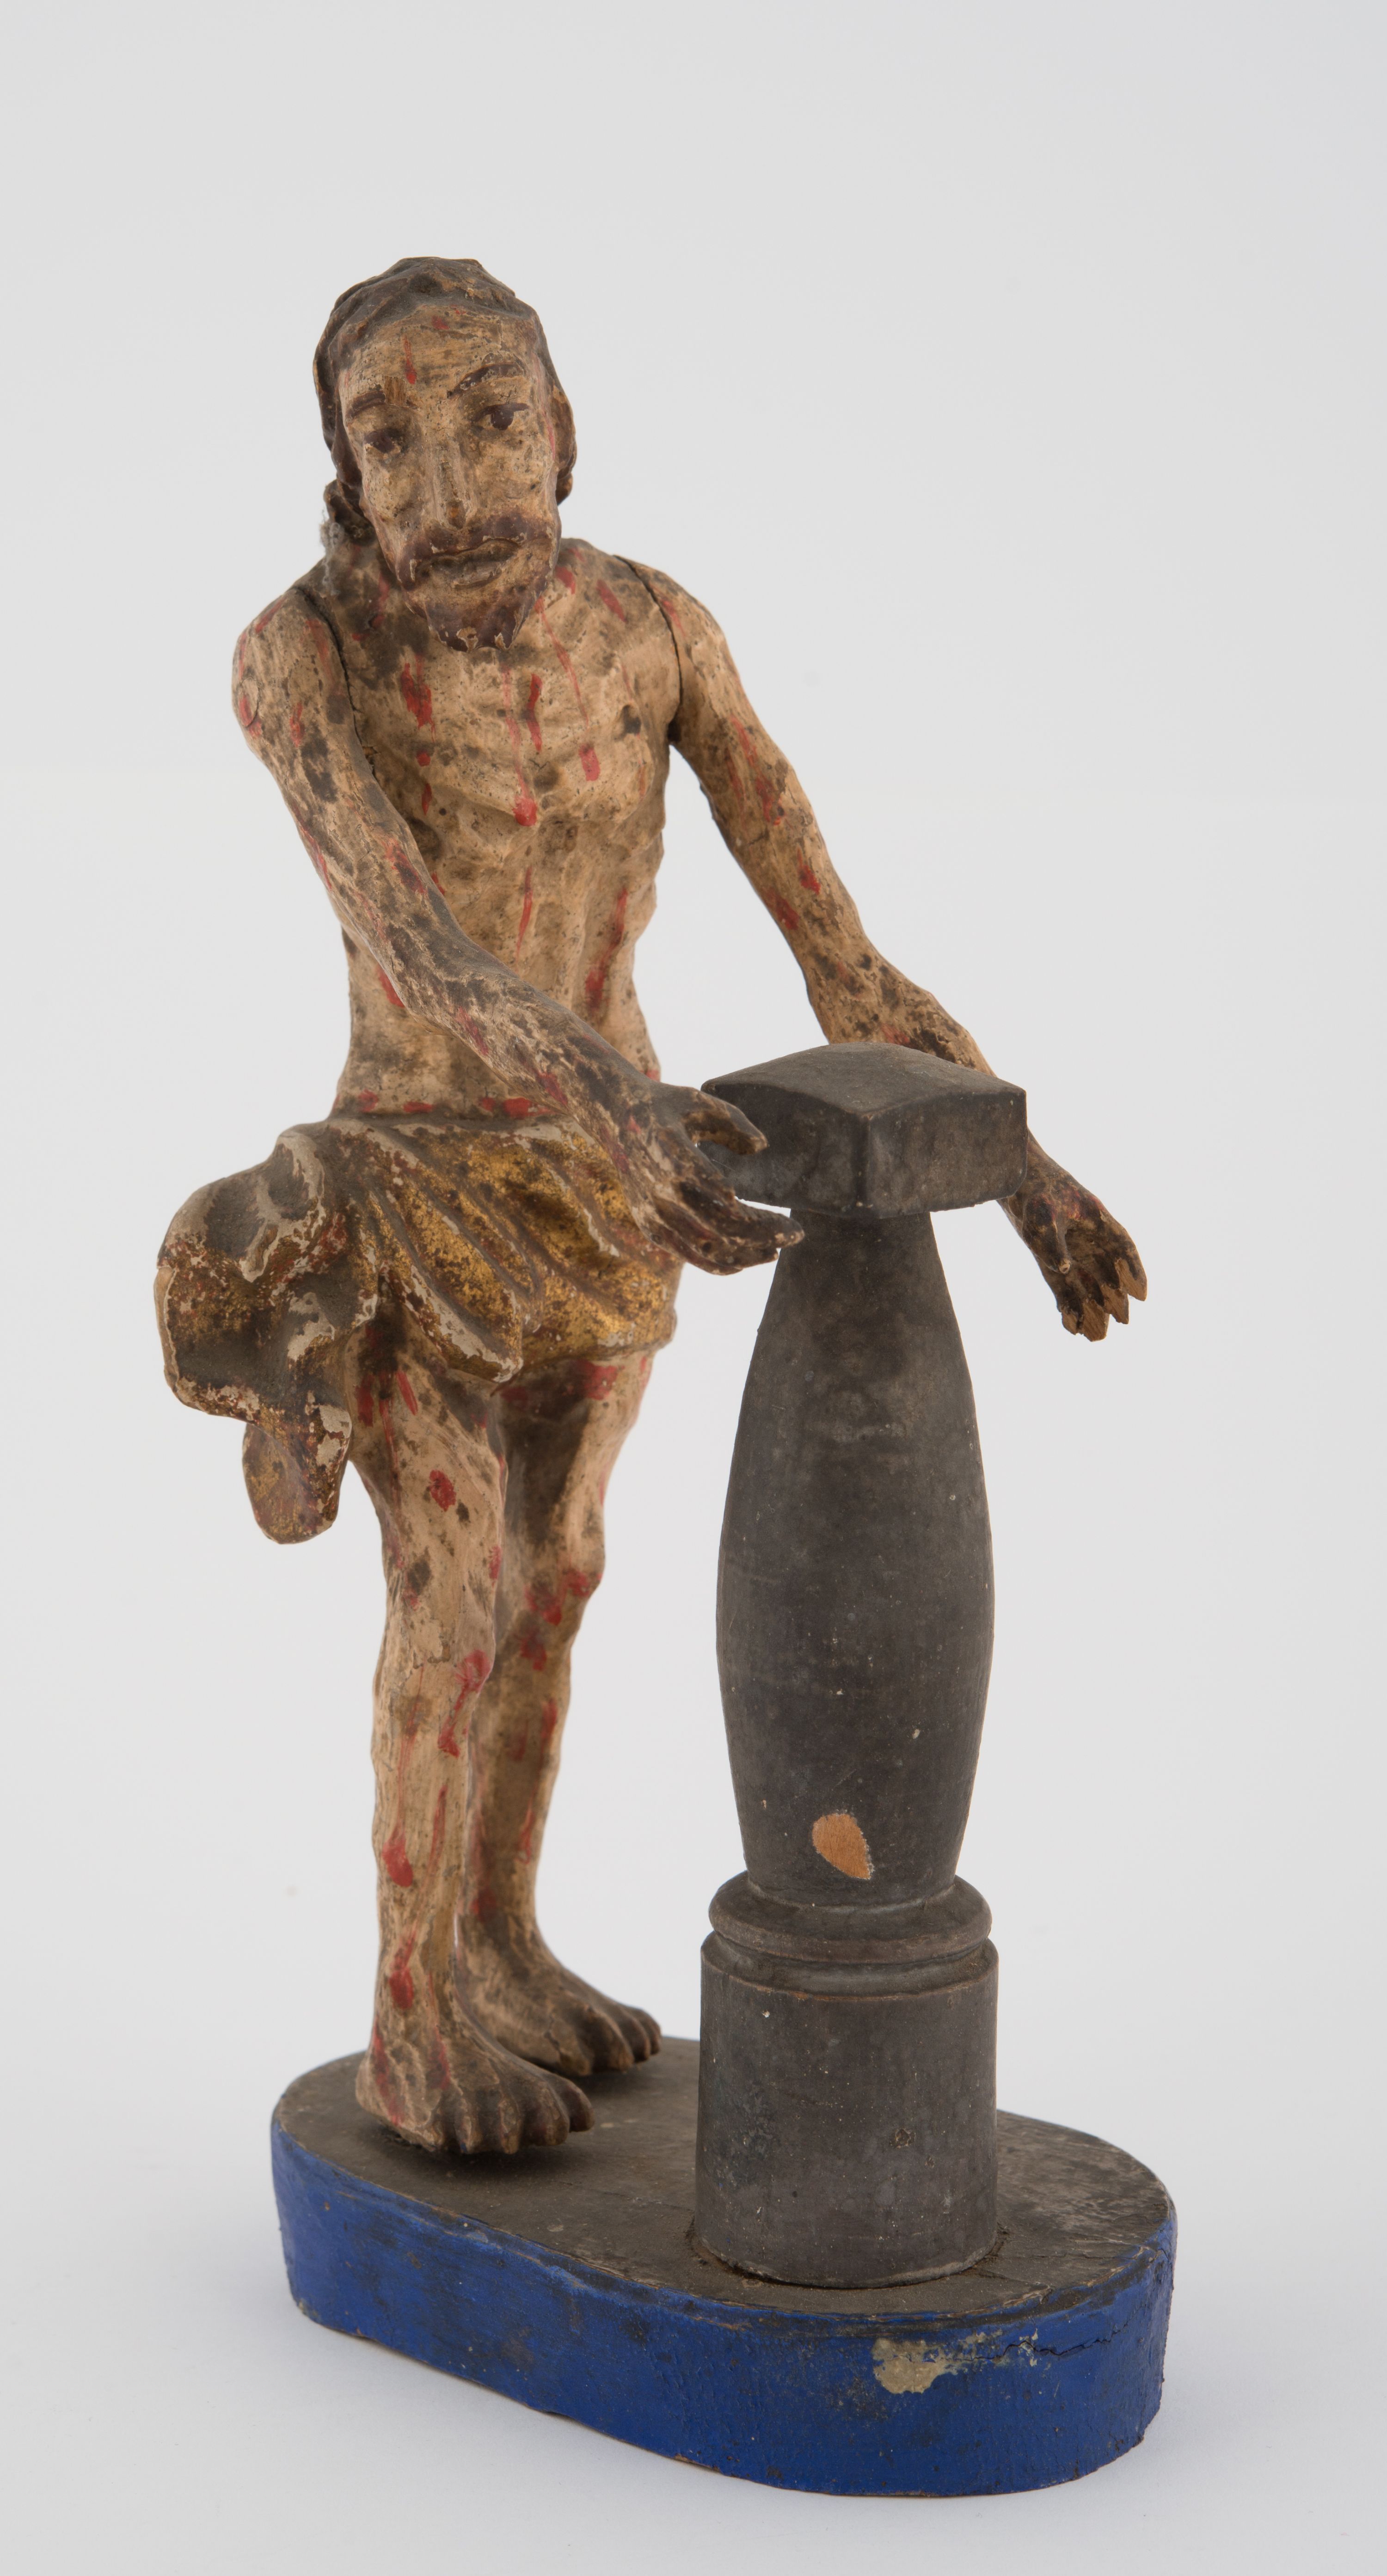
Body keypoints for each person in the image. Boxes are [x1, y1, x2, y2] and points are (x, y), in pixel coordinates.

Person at [157, 258, 1145, 2153]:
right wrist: (621, 1105)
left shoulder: (655, 634)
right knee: (454, 1588)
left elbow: (841, 955)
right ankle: (408, 2019)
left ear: (567, 429)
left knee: (558, 1576)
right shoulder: (303, 658)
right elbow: (418, 949)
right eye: (393, 441)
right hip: (413, 1179)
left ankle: (498, 1944)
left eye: (493, 418)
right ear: (344, 478)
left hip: (612, 1196)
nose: (453, 483)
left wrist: (1029, 1174)